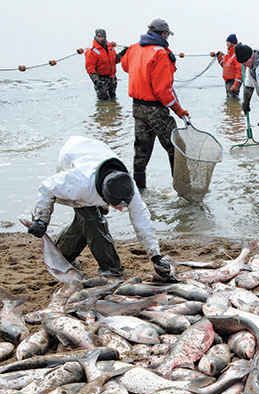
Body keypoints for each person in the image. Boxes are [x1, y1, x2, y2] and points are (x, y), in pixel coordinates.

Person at [27, 136, 171, 279]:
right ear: (104, 196)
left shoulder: (127, 185)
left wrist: (156, 256)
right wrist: (41, 220)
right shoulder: (79, 183)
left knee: (85, 220)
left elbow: (142, 220)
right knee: (92, 218)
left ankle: (62, 255)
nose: (121, 210)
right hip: (71, 155)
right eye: (116, 205)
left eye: (123, 206)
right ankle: (110, 268)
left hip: (97, 150)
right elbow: (47, 187)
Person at [120, 18, 189, 188]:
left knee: (141, 149)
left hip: (137, 107)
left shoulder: (134, 47)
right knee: (176, 147)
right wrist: (179, 111)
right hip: (156, 109)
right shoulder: (161, 54)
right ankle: (182, 188)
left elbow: (125, 66)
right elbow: (162, 91)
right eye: (167, 36)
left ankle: (138, 191)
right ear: (164, 34)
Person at [84, 28, 121, 100]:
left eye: (103, 37)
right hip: (101, 80)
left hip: (112, 79)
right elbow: (90, 68)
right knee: (103, 100)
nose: (101, 39)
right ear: (96, 36)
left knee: (113, 99)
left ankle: (114, 111)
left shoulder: (110, 47)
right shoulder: (91, 51)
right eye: (99, 37)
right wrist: (96, 81)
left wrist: (122, 54)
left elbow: (115, 61)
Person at [216, 34, 243, 99]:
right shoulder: (229, 54)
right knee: (229, 99)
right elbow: (225, 66)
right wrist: (219, 57)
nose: (226, 44)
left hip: (233, 81)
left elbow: (240, 70)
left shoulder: (237, 54)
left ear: (232, 43)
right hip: (228, 81)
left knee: (233, 99)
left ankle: (235, 109)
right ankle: (232, 109)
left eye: (228, 42)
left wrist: (236, 84)